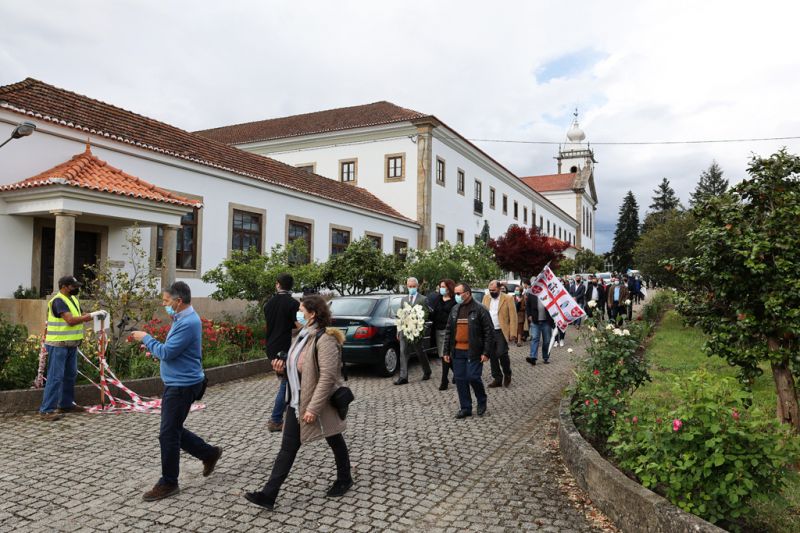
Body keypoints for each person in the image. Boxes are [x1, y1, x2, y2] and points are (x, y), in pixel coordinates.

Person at [245, 295, 352, 510]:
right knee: (287, 449)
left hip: (318, 402)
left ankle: (344, 479)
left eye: (300, 310)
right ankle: (269, 495)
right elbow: (298, 367)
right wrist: (281, 369)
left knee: (334, 438)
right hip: (296, 402)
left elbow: (328, 376)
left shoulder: (325, 339)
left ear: (312, 314)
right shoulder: (302, 335)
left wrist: (313, 408)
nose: (297, 314)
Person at [131, 281, 222, 502]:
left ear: (178, 301)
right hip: (178, 382)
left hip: (183, 385)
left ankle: (169, 481)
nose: (164, 304)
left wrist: (146, 339)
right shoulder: (181, 317)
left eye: (166, 301)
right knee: (172, 430)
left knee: (168, 433)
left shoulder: (188, 321)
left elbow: (168, 352)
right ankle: (208, 453)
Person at [39, 275, 106, 421]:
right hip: (58, 344)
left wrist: (93, 315)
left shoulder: (73, 299)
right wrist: (91, 316)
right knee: (55, 378)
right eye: (73, 286)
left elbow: (79, 315)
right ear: (64, 286)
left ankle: (66, 404)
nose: (77, 288)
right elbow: (70, 320)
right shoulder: (58, 301)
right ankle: (47, 410)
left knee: (70, 375)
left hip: (71, 344)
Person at [442, 283, 494, 418]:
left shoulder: (480, 309)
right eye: (455, 293)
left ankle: (482, 400)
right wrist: (446, 351)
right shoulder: (455, 309)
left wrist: (486, 352)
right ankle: (466, 407)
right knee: (460, 379)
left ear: (467, 293)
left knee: (473, 377)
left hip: (474, 351)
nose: (456, 296)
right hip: (457, 351)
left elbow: (489, 332)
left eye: (458, 294)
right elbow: (449, 331)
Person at [264, 273, 300, 433]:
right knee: (286, 382)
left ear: (277, 284)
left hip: (271, 347)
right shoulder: (293, 304)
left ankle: (287, 411)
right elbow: (299, 324)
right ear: (291, 286)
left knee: (286, 380)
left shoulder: (268, 303)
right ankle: (276, 419)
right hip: (284, 348)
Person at [395, 277, 432, 385]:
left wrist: (418, 324)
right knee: (403, 351)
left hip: (416, 330)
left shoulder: (423, 299)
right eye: (409, 286)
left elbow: (426, 314)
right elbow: (400, 316)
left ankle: (427, 371)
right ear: (407, 286)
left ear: (417, 286)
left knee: (419, 351)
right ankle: (403, 377)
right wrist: (398, 330)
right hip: (404, 330)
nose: (411, 288)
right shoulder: (404, 300)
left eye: (413, 286)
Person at [482, 280, 517, 388]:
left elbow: (513, 316)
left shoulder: (508, 298)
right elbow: (482, 314)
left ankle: (507, 373)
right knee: (492, 355)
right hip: (489, 331)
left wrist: (513, 333)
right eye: (490, 290)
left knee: (502, 353)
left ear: (499, 288)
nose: (491, 292)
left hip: (502, 331)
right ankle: (497, 378)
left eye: (493, 290)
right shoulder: (486, 298)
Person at [429, 279, 457, 391]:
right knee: (443, 355)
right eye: (440, 286)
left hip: (449, 331)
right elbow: (432, 313)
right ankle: (458, 373)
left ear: (449, 288)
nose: (441, 288)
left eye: (443, 286)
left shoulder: (455, 301)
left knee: (446, 355)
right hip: (438, 330)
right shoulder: (437, 299)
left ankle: (444, 380)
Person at [525, 279, 555, 365]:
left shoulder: (548, 293)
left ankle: (545, 357)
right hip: (535, 321)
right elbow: (528, 306)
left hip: (546, 321)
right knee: (534, 339)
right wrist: (529, 315)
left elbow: (553, 305)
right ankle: (533, 358)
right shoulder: (531, 293)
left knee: (547, 341)